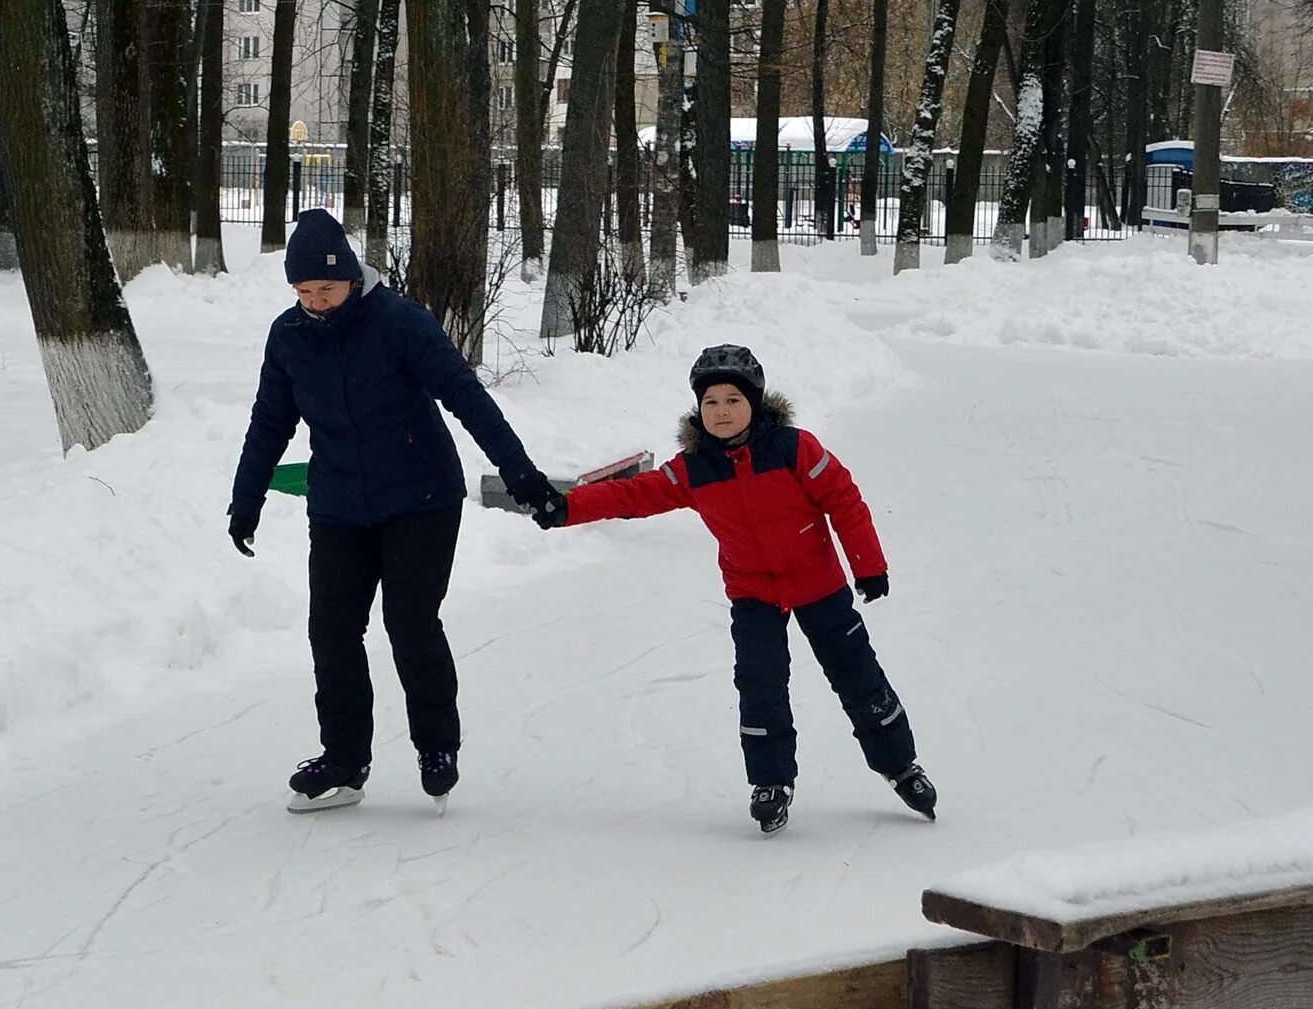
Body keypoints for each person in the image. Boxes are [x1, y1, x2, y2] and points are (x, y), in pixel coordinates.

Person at [231, 210, 558, 812]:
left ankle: (437, 747)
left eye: (325, 289)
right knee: (331, 632)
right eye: (303, 292)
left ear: (353, 278)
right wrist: (246, 498)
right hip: (338, 505)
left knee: (409, 622)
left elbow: (466, 396)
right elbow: (270, 420)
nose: (316, 303)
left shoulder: (400, 322)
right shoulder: (289, 337)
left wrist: (521, 475)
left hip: (421, 497)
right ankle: (344, 759)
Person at [537, 343, 935, 835]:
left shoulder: (795, 448)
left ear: (755, 402)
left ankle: (901, 766)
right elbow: (632, 495)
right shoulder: (693, 467)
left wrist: (868, 565)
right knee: (760, 685)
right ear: (697, 409)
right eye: (711, 402)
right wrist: (566, 507)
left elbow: (844, 499)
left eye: (733, 400)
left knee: (857, 677)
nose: (722, 412)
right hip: (752, 593)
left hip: (819, 584)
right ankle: (770, 782)